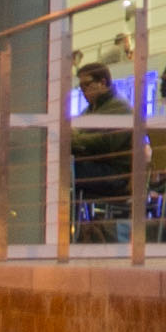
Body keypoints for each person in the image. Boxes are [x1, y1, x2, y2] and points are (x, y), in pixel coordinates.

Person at [67, 64, 135, 242]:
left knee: (63, 174)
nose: (83, 91)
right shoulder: (93, 109)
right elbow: (79, 134)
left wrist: (73, 139)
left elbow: (106, 142)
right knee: (62, 171)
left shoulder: (119, 108)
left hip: (114, 174)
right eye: (80, 87)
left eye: (87, 85)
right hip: (97, 167)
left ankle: (68, 235)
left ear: (103, 82)